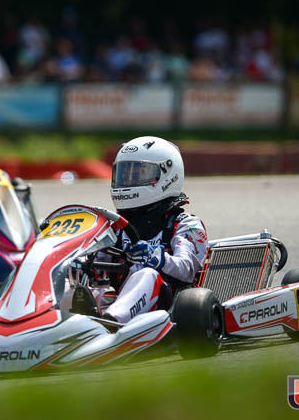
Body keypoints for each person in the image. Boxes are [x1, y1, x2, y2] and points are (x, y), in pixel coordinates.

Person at [72, 136, 209, 324]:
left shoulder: (185, 224)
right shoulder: (116, 227)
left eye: (138, 174)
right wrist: (80, 264)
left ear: (167, 175)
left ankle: (113, 324)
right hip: (118, 299)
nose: (128, 181)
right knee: (75, 286)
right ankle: (54, 326)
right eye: (124, 175)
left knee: (146, 274)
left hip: (169, 308)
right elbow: (99, 268)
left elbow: (187, 269)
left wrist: (159, 258)